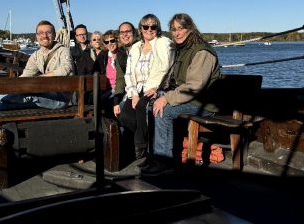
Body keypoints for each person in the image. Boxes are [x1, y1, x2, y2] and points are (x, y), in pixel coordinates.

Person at [141, 13, 221, 176]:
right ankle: (153, 156)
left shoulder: (202, 52)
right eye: (173, 29)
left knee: (163, 112)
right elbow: (176, 80)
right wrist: (160, 92)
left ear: (190, 29)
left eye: (181, 28)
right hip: (191, 99)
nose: (176, 33)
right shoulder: (183, 50)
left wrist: (167, 98)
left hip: (204, 103)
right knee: (151, 106)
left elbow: (194, 86)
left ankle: (165, 162)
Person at [115, 14, 173, 160]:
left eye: (153, 26)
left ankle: (141, 149)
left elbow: (170, 70)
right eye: (145, 26)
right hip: (137, 89)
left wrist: (158, 89)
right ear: (140, 29)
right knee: (125, 115)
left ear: (157, 28)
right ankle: (145, 142)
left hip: (154, 88)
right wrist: (133, 93)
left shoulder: (165, 44)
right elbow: (128, 74)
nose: (149, 29)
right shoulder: (136, 47)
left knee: (142, 108)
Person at [0, 20, 74, 110]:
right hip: (44, 91)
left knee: (29, 97)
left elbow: (66, 69)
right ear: (36, 36)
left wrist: (42, 77)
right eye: (40, 33)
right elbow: (26, 75)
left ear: (54, 35)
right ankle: (1, 104)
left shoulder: (63, 51)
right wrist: (15, 87)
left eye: (48, 32)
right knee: (3, 107)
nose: (44, 36)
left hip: (60, 98)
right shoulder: (36, 56)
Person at [92, 30, 125, 117]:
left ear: (117, 40)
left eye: (112, 40)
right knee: (98, 101)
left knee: (110, 103)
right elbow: (95, 69)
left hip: (121, 88)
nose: (110, 43)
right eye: (107, 42)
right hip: (108, 88)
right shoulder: (104, 55)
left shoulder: (122, 54)